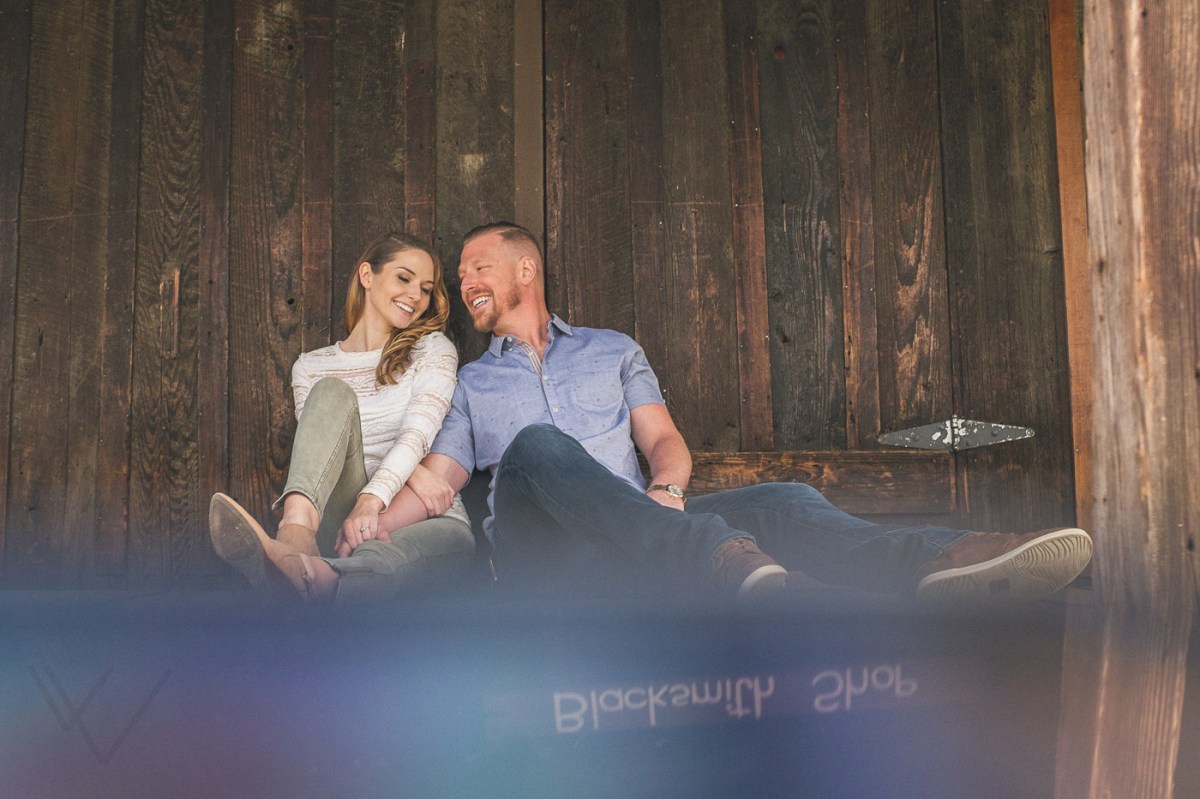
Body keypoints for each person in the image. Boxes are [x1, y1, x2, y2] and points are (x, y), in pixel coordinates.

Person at [370, 221, 1093, 603]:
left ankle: (944, 560)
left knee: (787, 499)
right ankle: (724, 563)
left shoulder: (612, 349)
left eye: (477, 267)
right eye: (460, 275)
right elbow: (436, 483)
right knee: (536, 444)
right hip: (549, 567)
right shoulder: (472, 381)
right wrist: (364, 522)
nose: (464, 282)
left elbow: (664, 441)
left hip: (643, 541)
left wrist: (667, 489)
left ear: (525, 269)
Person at [207, 231, 473, 602]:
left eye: (426, 289)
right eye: (404, 278)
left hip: (426, 516)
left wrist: (371, 503)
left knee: (378, 553)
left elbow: (417, 436)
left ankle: (304, 574)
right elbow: (325, 455)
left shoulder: (431, 350)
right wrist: (413, 472)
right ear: (367, 276)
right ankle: (296, 538)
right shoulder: (311, 367)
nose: (416, 295)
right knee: (331, 392)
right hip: (338, 519)